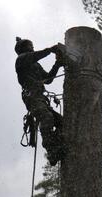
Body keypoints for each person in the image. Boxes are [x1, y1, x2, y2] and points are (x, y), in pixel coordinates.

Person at [14, 37, 64, 166]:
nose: (32, 47)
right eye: (29, 45)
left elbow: (48, 79)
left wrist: (57, 64)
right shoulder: (21, 60)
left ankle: (59, 142)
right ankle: (51, 150)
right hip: (32, 97)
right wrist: (50, 50)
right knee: (46, 117)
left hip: (41, 98)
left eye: (31, 45)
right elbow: (35, 56)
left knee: (61, 122)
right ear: (22, 48)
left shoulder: (34, 64)